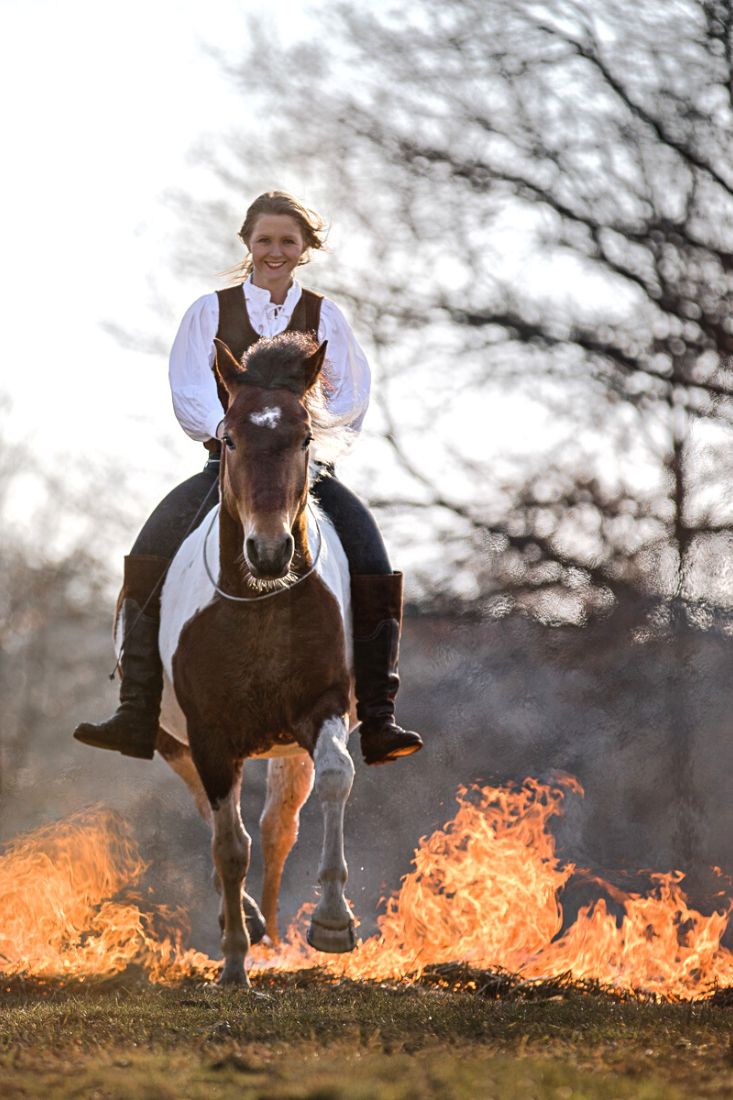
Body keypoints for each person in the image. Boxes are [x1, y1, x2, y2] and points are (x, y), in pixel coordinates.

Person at [73, 190, 423, 767]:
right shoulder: (208, 312)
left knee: (370, 554)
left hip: (301, 466)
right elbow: (187, 389)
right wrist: (231, 430)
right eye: (265, 240)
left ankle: (380, 717)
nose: (276, 251)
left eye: (289, 241)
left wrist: (308, 436)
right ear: (248, 244)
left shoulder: (325, 314)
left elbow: (352, 394)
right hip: (228, 465)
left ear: (304, 248)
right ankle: (136, 709)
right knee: (151, 548)